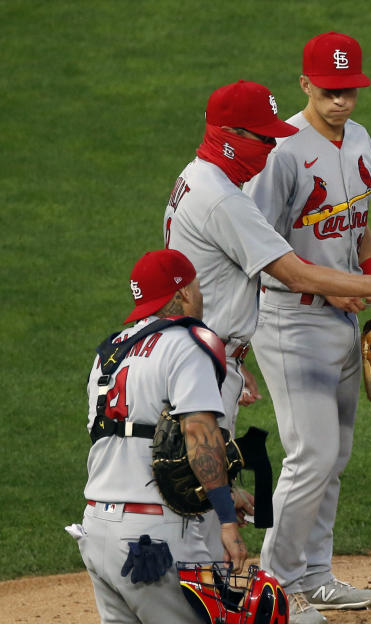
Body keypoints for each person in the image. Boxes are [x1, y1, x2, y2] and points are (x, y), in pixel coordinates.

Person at [163, 78, 371, 434]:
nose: (271, 147)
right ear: (230, 135)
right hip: (206, 359)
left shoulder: (196, 175)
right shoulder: (224, 200)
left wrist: (231, 361)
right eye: (263, 138)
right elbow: (293, 273)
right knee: (203, 482)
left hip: (204, 353)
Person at [243, 32, 371, 624]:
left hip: (344, 318)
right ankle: (271, 589)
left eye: (351, 90)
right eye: (330, 92)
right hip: (289, 319)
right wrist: (343, 288)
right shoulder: (282, 152)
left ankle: (315, 576)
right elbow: (261, 250)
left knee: (337, 454)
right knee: (312, 454)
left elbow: (359, 226)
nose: (343, 102)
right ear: (304, 84)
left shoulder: (360, 139)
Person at [77, 249, 247, 623]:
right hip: (154, 540)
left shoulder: (109, 354)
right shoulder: (187, 345)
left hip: (96, 529)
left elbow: (130, 443)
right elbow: (199, 435)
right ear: (183, 292)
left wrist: (223, 491)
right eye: (197, 287)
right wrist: (227, 521)